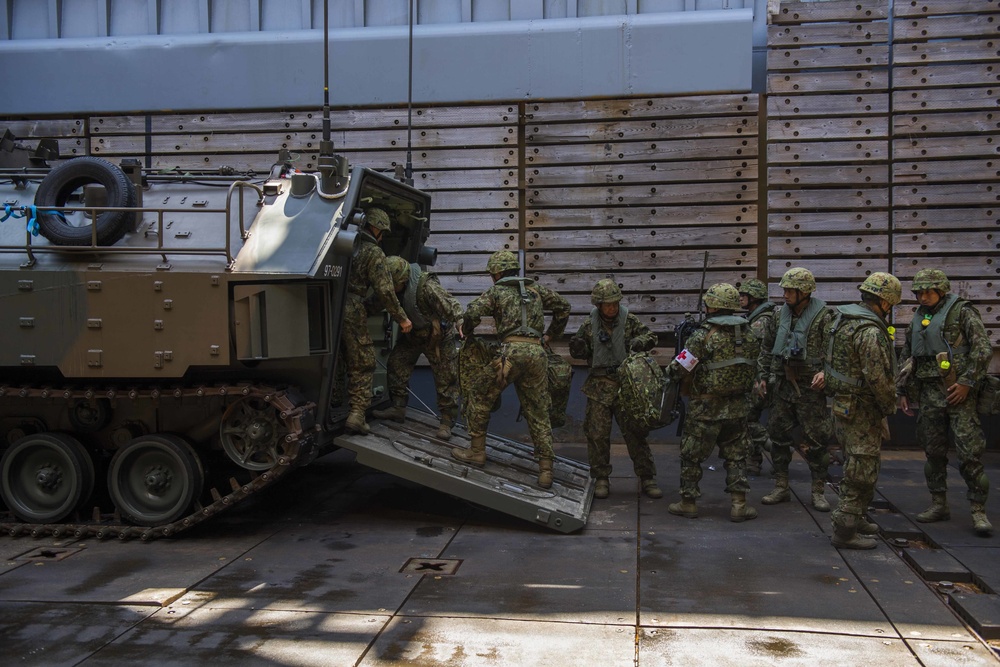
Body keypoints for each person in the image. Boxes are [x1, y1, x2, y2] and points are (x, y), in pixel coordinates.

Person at [452, 250, 570, 488]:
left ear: (497, 273)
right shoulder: (537, 290)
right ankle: (546, 470)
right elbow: (564, 307)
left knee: (479, 394)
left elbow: (473, 311)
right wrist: (549, 335)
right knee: (538, 410)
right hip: (537, 354)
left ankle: (476, 452)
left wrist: (468, 329)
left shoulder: (497, 291)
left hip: (510, 354)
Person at [898, 269, 993, 536]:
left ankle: (978, 511)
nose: (923, 297)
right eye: (919, 292)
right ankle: (938, 503)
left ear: (942, 290)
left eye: (928, 292)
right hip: (928, 392)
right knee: (933, 450)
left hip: (957, 391)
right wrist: (902, 390)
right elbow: (908, 355)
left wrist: (966, 383)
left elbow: (982, 349)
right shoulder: (919, 316)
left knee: (969, 452)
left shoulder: (962, 311)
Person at [665, 283, 760, 522]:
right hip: (738, 407)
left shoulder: (702, 335)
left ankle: (688, 503)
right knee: (737, 456)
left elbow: (678, 368)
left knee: (691, 456)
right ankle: (739, 505)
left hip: (705, 409)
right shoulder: (749, 333)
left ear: (712, 306)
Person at [822, 273, 901, 549]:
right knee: (862, 467)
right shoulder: (869, 331)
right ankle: (845, 530)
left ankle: (856, 516)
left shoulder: (842, 321)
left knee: (857, 462)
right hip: (863, 409)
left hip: (843, 405)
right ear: (886, 302)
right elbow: (878, 378)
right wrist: (888, 406)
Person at [568, 279, 662, 500]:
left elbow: (651, 336)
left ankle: (647, 476)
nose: (611, 308)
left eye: (614, 303)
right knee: (597, 435)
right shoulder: (589, 325)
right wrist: (578, 348)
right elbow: (579, 350)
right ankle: (601, 477)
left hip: (625, 385)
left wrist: (639, 342)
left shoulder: (629, 320)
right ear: (599, 305)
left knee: (635, 433)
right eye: (607, 304)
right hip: (599, 386)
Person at [756, 267, 835, 512]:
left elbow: (834, 351)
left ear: (805, 292)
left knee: (817, 440)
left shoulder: (824, 317)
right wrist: (761, 376)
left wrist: (826, 373)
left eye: (790, 290)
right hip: (781, 385)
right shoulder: (779, 316)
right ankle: (781, 486)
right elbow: (767, 348)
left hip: (810, 388)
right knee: (778, 437)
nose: (786, 295)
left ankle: (818, 490)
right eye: (785, 290)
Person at [370, 256, 463, 440]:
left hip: (438, 338)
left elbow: (450, 303)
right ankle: (398, 407)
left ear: (402, 280)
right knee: (396, 364)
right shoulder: (395, 290)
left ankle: (446, 421)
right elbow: (376, 302)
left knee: (446, 379)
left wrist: (460, 321)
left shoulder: (426, 287)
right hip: (413, 336)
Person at [342, 208, 412, 435]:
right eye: (382, 231)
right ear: (375, 228)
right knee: (364, 362)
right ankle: (357, 415)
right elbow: (385, 290)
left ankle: (337, 401)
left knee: (340, 358)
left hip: (331, 305)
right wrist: (401, 318)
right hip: (352, 307)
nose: (382, 235)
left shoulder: (342, 243)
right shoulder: (373, 252)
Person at [739, 278, 778, 475]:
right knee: (748, 418)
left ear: (754, 298)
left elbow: (758, 352)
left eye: (744, 295)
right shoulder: (756, 317)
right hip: (760, 376)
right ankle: (753, 461)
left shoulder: (761, 321)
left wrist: (758, 379)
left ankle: (775, 448)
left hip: (761, 378)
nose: (740, 298)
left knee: (747, 418)